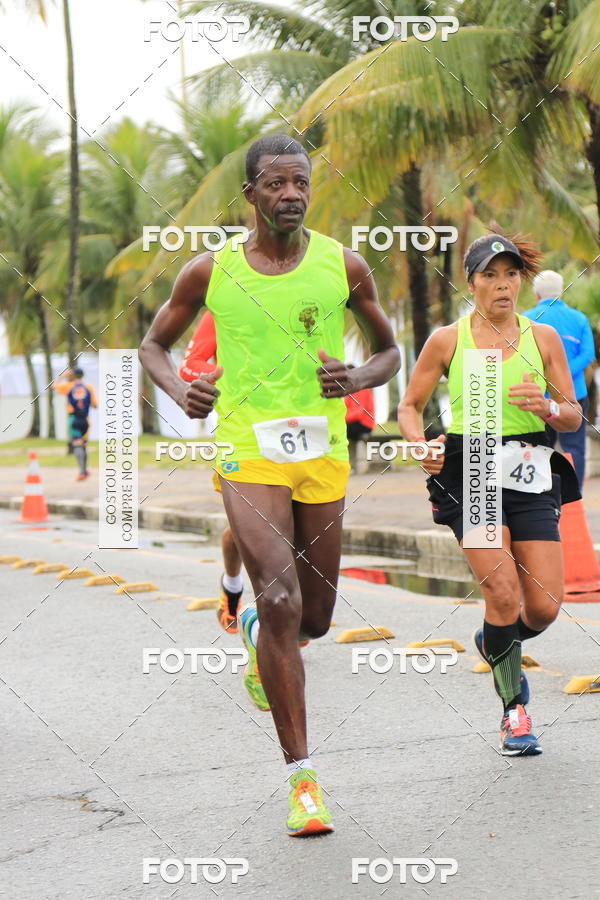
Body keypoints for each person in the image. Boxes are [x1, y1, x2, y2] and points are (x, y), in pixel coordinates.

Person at [140, 133, 400, 835]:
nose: (291, 195)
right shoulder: (210, 270)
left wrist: (359, 378)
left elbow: (389, 349)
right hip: (248, 450)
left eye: (302, 183)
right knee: (281, 595)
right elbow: (153, 345)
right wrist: (182, 389)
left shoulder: (342, 265)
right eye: (277, 184)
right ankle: (303, 780)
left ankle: (258, 629)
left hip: (321, 453)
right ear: (251, 195)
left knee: (312, 618)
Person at [399, 227, 581, 756]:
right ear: (471, 283)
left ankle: (495, 641)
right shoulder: (447, 340)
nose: (503, 286)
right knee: (502, 593)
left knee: (544, 607)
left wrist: (547, 407)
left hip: (529, 465)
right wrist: (418, 445)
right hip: (471, 464)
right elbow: (410, 406)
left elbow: (573, 414)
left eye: (511, 275)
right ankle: (514, 710)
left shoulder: (540, 338)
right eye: (490, 276)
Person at [178, 309, 245, 630]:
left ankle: (290, 614)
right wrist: (231, 373)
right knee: (246, 528)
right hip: (242, 436)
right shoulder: (222, 307)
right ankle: (232, 588)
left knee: (299, 529)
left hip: (305, 433)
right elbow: (189, 364)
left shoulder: (307, 295)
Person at [523, 270, 595, 490]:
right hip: (574, 396)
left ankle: (538, 494)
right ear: (561, 291)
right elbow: (587, 354)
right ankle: (574, 496)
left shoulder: (525, 319)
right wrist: (563, 372)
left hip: (536, 397)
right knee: (574, 448)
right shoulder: (579, 318)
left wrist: (547, 376)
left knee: (535, 446)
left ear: (536, 294)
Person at [52, 366, 97, 480]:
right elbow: (95, 405)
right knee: (83, 445)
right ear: (83, 376)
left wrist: (62, 376)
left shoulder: (68, 386)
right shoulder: (89, 387)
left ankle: (81, 472)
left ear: (72, 376)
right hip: (86, 420)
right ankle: (85, 471)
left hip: (74, 419)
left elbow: (54, 386)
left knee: (77, 444)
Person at [344, 368, 375, 472]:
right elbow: (345, 408)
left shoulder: (362, 389)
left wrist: (343, 419)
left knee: (342, 430)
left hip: (364, 424)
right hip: (354, 422)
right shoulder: (350, 390)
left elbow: (359, 412)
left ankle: (349, 466)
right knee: (342, 430)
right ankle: (350, 466)